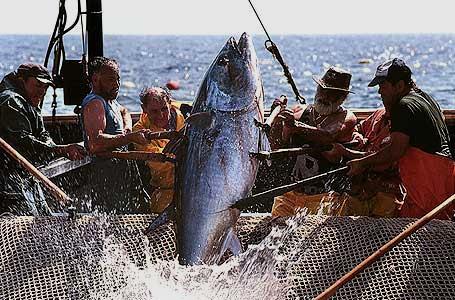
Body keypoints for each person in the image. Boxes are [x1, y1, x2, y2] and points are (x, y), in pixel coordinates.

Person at [347, 58, 454, 219]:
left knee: (425, 232)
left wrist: (362, 163)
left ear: (399, 86)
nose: (379, 92)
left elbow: (395, 151)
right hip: (445, 177)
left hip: (429, 183)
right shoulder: (426, 97)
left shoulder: (403, 106)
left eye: (383, 86)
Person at [270, 66, 357, 217]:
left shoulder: (347, 118)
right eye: (322, 89)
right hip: (290, 194)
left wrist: (296, 127)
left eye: (332, 93)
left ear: (343, 97)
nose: (325, 96)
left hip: (325, 197)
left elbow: (328, 136)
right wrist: (277, 120)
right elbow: (277, 147)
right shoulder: (299, 112)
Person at [0, 63, 86, 216]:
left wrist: (58, 148)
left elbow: (42, 135)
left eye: (45, 87)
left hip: (26, 176)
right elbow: (23, 144)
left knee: (43, 219)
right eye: (38, 85)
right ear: (22, 80)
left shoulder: (29, 101)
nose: (42, 91)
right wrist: (61, 150)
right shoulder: (11, 101)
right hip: (7, 181)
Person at [81, 57, 152, 213]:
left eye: (118, 79)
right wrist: (130, 137)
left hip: (122, 169)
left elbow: (124, 111)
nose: (117, 84)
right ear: (95, 79)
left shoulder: (111, 101)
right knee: (113, 217)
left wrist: (127, 128)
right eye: (111, 79)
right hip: (106, 174)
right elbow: (96, 143)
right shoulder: (95, 103)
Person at [327, 107, 404, 217]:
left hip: (387, 192)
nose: (380, 92)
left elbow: (386, 160)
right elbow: (359, 128)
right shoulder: (380, 113)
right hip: (359, 187)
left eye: (384, 88)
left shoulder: (403, 127)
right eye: (380, 88)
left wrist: (346, 152)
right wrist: (357, 137)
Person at [133, 87, 185, 213]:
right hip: (166, 190)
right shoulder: (139, 132)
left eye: (164, 109)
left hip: (196, 185)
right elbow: (160, 164)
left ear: (170, 103)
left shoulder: (186, 113)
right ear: (144, 109)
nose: (161, 115)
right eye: (154, 111)